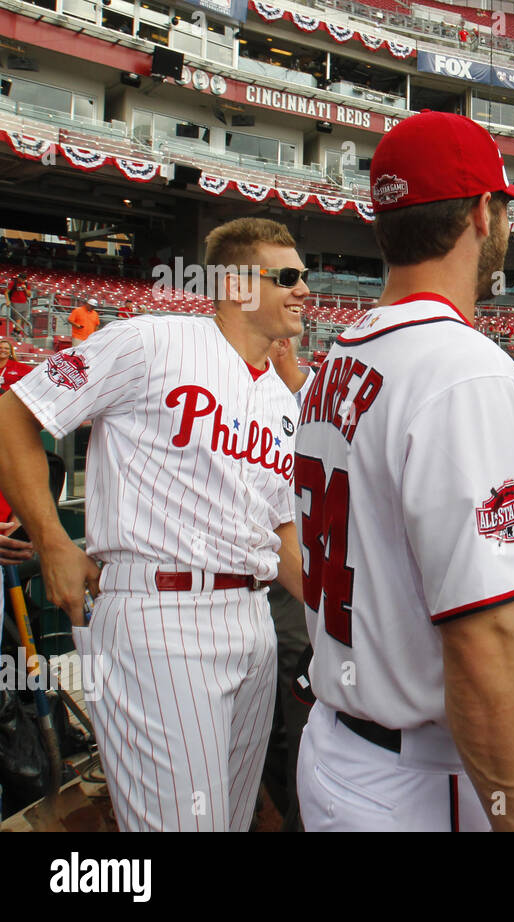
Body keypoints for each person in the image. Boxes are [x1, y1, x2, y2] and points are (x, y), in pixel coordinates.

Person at [0, 217, 308, 831]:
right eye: (290, 277)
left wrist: (346, 619)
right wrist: (52, 537)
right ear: (240, 286)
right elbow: (13, 413)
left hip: (252, 620)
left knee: (227, 820)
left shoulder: (280, 395)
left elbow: (283, 532)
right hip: (159, 617)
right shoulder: (150, 341)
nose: (306, 291)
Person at [294, 111, 514, 833]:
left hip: (342, 750)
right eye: (501, 207)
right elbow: (488, 636)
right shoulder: (463, 369)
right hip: (416, 781)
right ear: (480, 213)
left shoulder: (335, 358)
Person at [261, 334, 316, 831]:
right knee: (263, 722)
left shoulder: (321, 395)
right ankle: (283, 807)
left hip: (299, 576)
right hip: (247, 581)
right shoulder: (243, 394)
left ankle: (300, 816)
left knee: (298, 705)